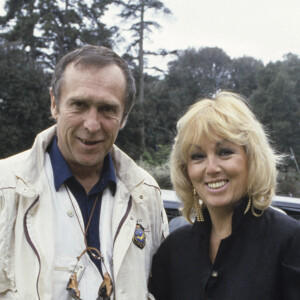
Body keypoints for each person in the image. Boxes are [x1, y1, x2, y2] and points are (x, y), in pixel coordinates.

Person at [0, 45, 168, 300]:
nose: (91, 125)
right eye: (79, 105)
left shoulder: (146, 194)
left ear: (124, 116)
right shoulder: (5, 187)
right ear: (54, 104)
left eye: (107, 109)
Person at [149, 92, 300, 299]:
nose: (211, 168)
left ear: (252, 158)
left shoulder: (290, 241)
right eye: (198, 156)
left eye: (224, 152)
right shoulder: (173, 250)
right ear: (186, 171)